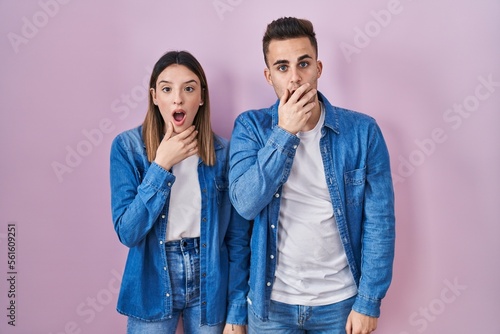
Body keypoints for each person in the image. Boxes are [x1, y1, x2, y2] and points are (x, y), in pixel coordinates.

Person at [228, 17, 395, 334]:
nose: (294, 78)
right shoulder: (250, 128)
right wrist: (285, 132)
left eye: (303, 64)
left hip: (341, 305)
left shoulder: (362, 132)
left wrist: (369, 301)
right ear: (268, 76)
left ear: (318, 68)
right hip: (270, 306)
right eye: (282, 67)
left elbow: (380, 223)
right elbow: (244, 205)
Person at [110, 50, 250, 334]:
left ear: (201, 97)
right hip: (152, 278)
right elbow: (128, 232)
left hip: (210, 279)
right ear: (154, 97)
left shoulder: (222, 153)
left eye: (188, 88)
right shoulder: (128, 148)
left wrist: (237, 311)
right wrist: (162, 165)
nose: (178, 98)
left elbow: (237, 239)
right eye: (167, 89)